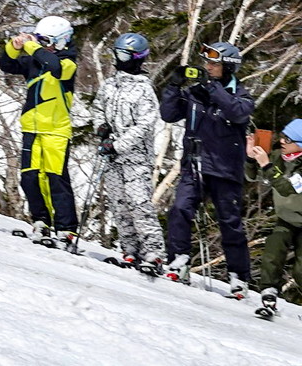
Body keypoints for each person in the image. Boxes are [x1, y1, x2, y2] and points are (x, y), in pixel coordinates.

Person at [160, 42, 255, 295]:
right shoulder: (195, 92)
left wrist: (213, 88)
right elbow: (168, 115)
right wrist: (173, 86)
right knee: (180, 208)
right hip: (194, 164)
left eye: (214, 64)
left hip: (225, 170)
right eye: (207, 63)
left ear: (228, 67)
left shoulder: (241, 95)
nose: (208, 67)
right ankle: (178, 258)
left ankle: (239, 276)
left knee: (230, 222)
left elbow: (237, 114)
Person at [0, 15, 79, 247]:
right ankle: (41, 220)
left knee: (56, 178)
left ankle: (66, 228)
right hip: (32, 128)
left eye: (47, 41)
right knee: (30, 177)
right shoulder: (35, 61)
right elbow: (7, 65)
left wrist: (32, 46)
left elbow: (53, 67)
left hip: (56, 131)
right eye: (41, 41)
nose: (43, 46)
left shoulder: (68, 63)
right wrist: (14, 47)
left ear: (61, 41)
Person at [90, 32, 166, 272]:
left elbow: (144, 126)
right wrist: (100, 127)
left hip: (136, 158)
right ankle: (129, 249)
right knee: (118, 203)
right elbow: (97, 107)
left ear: (137, 58)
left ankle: (153, 252)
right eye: (117, 54)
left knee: (138, 203)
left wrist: (119, 144)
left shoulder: (144, 90)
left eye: (124, 55)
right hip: (111, 156)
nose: (119, 59)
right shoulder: (110, 84)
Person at [246, 119, 302, 315]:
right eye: (282, 137)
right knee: (273, 249)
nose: (282, 142)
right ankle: (269, 292)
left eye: (288, 139)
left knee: (300, 272)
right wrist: (251, 158)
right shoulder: (279, 157)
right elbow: (253, 177)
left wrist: (266, 165)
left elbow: (286, 188)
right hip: (286, 219)